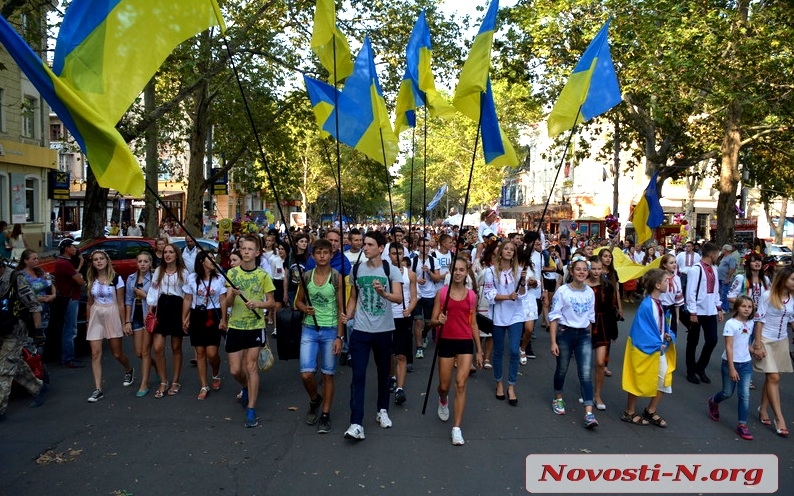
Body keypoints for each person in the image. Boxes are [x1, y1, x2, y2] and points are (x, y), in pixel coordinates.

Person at [341, 230, 403, 441]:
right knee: (358, 376)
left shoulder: (390, 270)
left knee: (383, 373)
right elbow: (353, 297)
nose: (364, 247)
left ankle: (382, 410)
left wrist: (383, 293)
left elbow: (398, 298)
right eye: (364, 244)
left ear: (380, 248)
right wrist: (348, 315)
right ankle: (356, 423)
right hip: (360, 330)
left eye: (369, 244)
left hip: (384, 331)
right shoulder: (356, 269)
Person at [429, 258, 483, 445]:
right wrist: (438, 321)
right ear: (451, 271)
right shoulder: (442, 293)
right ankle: (442, 399)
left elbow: (473, 323)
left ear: (467, 272)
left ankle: (456, 428)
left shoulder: (471, 296)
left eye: (462, 270)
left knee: (461, 384)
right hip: (446, 341)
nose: (458, 273)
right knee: (445, 386)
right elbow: (432, 321)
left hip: (465, 342)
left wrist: (479, 351)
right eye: (455, 270)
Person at [223, 235, 276, 428]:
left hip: (255, 325)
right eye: (243, 248)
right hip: (235, 325)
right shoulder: (232, 273)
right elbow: (226, 302)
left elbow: (271, 303)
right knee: (235, 369)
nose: (245, 251)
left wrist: (258, 303)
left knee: (251, 366)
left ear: (257, 252)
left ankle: (251, 409)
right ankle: (245, 386)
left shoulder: (263, 275)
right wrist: (233, 295)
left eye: (249, 249)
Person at [294, 239, 345, 433]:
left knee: (328, 374)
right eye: (318, 252)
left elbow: (341, 309)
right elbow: (298, 301)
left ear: (331, 255)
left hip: (330, 329)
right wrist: (304, 308)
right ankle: (315, 399)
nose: (322, 256)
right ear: (313, 256)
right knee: (306, 374)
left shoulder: (336, 277)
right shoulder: (306, 276)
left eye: (326, 252)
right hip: (309, 328)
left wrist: (340, 337)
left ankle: (325, 414)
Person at [621, 268, 676, 427]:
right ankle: (629, 412)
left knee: (664, 378)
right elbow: (641, 329)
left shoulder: (658, 303)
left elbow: (658, 325)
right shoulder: (647, 305)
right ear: (658, 285)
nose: (668, 282)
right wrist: (657, 342)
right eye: (666, 280)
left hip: (658, 348)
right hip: (648, 349)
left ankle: (651, 410)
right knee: (636, 377)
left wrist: (666, 334)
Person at [549, 255, 598, 428]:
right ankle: (558, 398)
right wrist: (553, 341)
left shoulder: (590, 292)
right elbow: (554, 317)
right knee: (562, 368)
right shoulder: (563, 291)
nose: (582, 272)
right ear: (571, 271)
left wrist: (589, 337)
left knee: (585, 373)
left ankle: (589, 412)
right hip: (565, 333)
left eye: (585, 269)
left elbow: (591, 319)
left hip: (583, 335)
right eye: (578, 269)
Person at [0, 258, 47, 420]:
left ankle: (0, 409)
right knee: (13, 362)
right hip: (1, 328)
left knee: (4, 369)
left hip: (15, 329)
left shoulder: (15, 279)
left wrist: (38, 331)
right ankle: (38, 388)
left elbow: (34, 305)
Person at [85, 251, 134, 402]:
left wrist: (125, 322)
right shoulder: (91, 279)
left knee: (117, 353)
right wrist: (88, 322)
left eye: (101, 259)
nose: (99, 262)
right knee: (95, 353)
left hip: (112, 313)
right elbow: (89, 303)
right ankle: (98, 388)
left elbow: (120, 302)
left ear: (107, 260)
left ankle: (129, 369)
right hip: (96, 314)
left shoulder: (116, 279)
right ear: (92, 262)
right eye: (95, 260)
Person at [483, 241, 527, 406]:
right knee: (499, 350)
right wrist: (508, 297)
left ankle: (512, 385)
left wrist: (522, 283)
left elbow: (522, 294)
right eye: (506, 249)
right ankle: (499, 382)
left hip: (516, 314)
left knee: (515, 350)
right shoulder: (490, 272)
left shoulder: (519, 271)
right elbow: (490, 294)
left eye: (512, 250)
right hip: (498, 315)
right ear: (501, 252)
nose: (509, 251)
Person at [752, 266, 794, 438]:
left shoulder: (792, 298)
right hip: (765, 340)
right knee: (774, 377)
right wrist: (758, 345)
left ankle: (763, 409)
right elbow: (759, 320)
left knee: (772, 378)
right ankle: (779, 418)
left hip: (781, 340)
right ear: (784, 279)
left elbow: (792, 319)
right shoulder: (767, 296)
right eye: (792, 279)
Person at [707, 296, 755, 440]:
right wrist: (732, 368)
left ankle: (742, 424)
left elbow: (745, 343)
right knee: (728, 392)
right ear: (737, 308)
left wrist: (754, 350)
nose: (747, 309)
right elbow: (729, 346)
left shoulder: (751, 323)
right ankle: (713, 402)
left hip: (746, 363)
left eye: (750, 307)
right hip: (730, 363)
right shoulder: (731, 324)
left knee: (744, 395)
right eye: (743, 306)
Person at [146, 243, 190, 398]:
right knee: (157, 347)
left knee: (176, 347)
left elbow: (188, 295)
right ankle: (163, 380)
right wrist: (151, 306)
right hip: (163, 306)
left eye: (171, 252)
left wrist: (187, 316)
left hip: (178, 307)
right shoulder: (159, 270)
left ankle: (175, 381)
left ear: (177, 255)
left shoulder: (183, 273)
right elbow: (153, 289)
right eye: (165, 252)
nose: (168, 255)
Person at [182, 251, 227, 400]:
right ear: (202, 262)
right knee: (200, 352)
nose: (213, 261)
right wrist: (185, 317)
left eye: (214, 258)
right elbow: (188, 299)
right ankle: (203, 385)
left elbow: (223, 300)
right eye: (210, 259)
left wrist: (223, 319)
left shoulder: (219, 278)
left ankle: (216, 373)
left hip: (212, 316)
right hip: (197, 315)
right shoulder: (192, 278)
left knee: (212, 353)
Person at [684, 242, 723, 385]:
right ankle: (690, 370)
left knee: (712, 340)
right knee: (693, 341)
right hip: (697, 311)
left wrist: (719, 308)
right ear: (712, 254)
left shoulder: (714, 268)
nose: (718, 256)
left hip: (710, 310)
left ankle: (700, 367)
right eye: (717, 253)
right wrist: (692, 312)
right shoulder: (696, 269)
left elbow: (716, 290)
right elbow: (691, 292)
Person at [387, 243, 417, 406]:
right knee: (390, 353)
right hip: (387, 318)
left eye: (399, 253)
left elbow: (414, 296)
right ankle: (392, 377)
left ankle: (400, 388)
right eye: (393, 253)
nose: (396, 256)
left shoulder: (410, 274)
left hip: (403, 317)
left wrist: (410, 308)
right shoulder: (384, 272)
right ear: (389, 255)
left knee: (401, 354)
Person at [586, 255, 616, 411]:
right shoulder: (582, 284)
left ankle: (597, 395)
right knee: (584, 364)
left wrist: (613, 331)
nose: (596, 272)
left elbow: (611, 308)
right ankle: (587, 393)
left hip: (603, 325)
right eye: (594, 268)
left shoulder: (608, 286)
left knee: (600, 363)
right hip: (584, 325)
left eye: (599, 269)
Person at [53, 239, 85, 368]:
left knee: (69, 328)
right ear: (66, 248)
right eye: (72, 246)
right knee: (70, 330)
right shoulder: (64, 263)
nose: (75, 249)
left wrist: (81, 262)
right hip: (71, 297)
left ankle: (67, 356)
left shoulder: (64, 262)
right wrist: (80, 276)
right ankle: (68, 358)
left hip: (69, 297)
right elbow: (80, 281)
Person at [125, 252, 153, 397]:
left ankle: (144, 384)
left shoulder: (154, 279)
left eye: (145, 261)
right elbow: (128, 301)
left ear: (150, 263)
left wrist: (145, 296)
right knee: (138, 353)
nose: (142, 264)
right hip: (135, 317)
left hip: (147, 316)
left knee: (145, 351)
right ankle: (154, 365)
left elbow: (156, 300)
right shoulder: (131, 279)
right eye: (140, 261)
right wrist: (127, 321)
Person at [17, 249, 55, 343]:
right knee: (33, 339)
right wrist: (38, 298)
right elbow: (21, 295)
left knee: (45, 337)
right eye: (34, 259)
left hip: (45, 310)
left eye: (37, 258)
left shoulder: (40, 271)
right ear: (25, 261)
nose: (37, 260)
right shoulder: (21, 276)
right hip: (31, 312)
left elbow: (50, 284)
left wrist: (53, 295)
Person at [412, 237, 440, 359]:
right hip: (417, 294)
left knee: (429, 322)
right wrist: (417, 280)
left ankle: (424, 334)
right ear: (418, 247)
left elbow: (437, 279)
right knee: (418, 321)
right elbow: (409, 277)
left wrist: (428, 272)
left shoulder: (434, 261)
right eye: (423, 246)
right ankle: (419, 348)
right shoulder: (413, 261)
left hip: (430, 294)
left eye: (428, 246)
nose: (426, 248)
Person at [717, 244, 737, 312]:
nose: (722, 251)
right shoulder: (724, 257)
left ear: (725, 250)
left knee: (724, 293)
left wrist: (728, 278)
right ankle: (722, 307)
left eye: (723, 249)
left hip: (725, 278)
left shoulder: (731, 258)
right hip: (721, 277)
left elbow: (732, 268)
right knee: (721, 293)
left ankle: (725, 308)